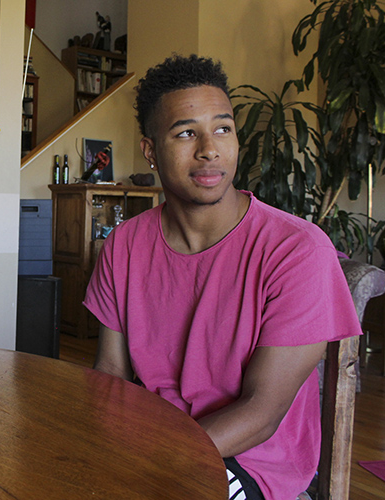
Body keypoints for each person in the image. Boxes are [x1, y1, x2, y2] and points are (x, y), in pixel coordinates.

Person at [83, 54, 361, 500]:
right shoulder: (125, 245)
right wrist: (103, 449)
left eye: (223, 128)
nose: (209, 149)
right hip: (150, 439)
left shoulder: (295, 250)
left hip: (249, 459)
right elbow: (111, 371)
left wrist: (151, 460)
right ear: (150, 150)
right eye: (186, 132)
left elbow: (262, 412)